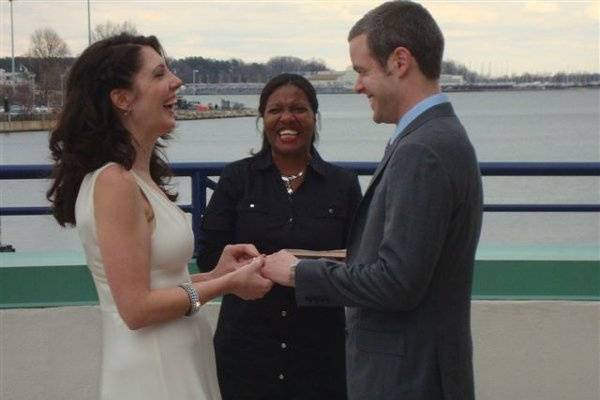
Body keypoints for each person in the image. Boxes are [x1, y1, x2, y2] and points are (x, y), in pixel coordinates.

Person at [262, 2, 483, 400]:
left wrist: (298, 273)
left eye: (362, 71)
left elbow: (397, 282)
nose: (357, 85)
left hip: (407, 379)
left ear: (400, 61)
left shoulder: (423, 150)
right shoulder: (434, 137)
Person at [46, 34, 273, 400]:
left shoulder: (137, 177)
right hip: (153, 371)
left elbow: (155, 281)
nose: (176, 82)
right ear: (122, 99)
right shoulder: (115, 183)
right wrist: (226, 286)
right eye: (159, 74)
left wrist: (216, 274)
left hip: (175, 360)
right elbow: (136, 308)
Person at [197, 73, 362, 400]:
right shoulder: (236, 179)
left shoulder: (343, 184)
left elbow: (357, 261)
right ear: (263, 119)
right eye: (275, 110)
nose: (287, 118)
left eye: (299, 109)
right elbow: (208, 256)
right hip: (246, 349)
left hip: (320, 351)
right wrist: (255, 268)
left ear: (315, 117)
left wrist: (301, 271)